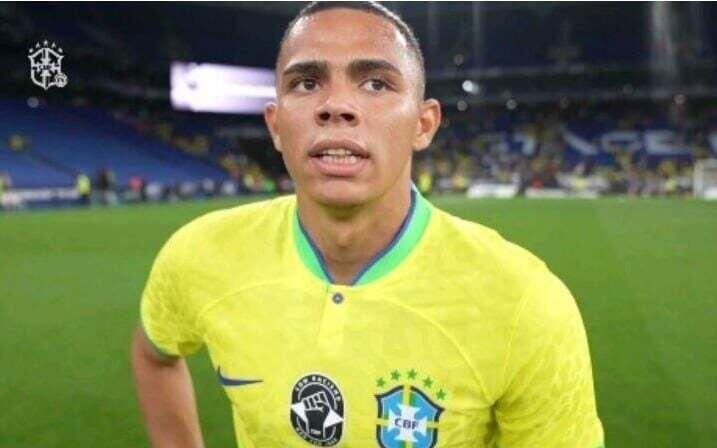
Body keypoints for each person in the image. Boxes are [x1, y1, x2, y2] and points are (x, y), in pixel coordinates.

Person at [132, 2, 604, 448]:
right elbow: (155, 354)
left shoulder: (524, 302)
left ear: (424, 124)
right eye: (306, 83)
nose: (336, 105)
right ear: (275, 125)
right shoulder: (201, 253)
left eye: (376, 84)